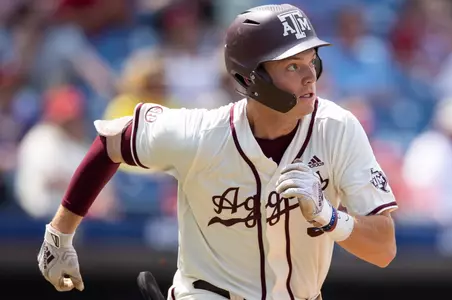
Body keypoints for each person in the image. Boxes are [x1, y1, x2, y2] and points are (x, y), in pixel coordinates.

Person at [37, 4, 398, 300]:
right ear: (249, 78)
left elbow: (384, 249)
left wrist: (329, 216)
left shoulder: (337, 127)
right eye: (292, 65)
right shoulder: (201, 133)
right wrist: (59, 235)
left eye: (312, 61)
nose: (310, 76)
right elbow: (110, 142)